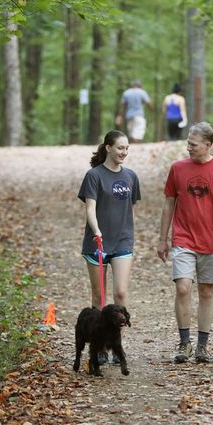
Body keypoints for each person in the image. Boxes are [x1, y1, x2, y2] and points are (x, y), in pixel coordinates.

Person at [157, 122, 213, 364]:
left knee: (206, 291)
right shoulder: (178, 169)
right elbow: (168, 203)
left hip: (212, 239)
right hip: (183, 238)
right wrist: (162, 239)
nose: (188, 148)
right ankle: (184, 343)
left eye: (193, 144)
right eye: (188, 143)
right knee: (183, 287)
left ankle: (202, 346)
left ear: (207, 145)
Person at [78, 130, 141, 362]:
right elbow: (90, 208)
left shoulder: (131, 176)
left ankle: (116, 345)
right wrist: (96, 231)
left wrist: (129, 231)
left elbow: (130, 209)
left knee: (121, 293)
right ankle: (100, 347)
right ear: (108, 148)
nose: (124, 152)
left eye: (126, 148)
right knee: (99, 298)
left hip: (123, 241)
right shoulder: (94, 176)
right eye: (120, 148)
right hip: (97, 242)